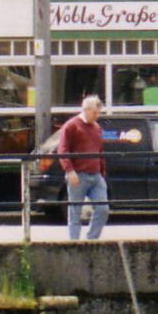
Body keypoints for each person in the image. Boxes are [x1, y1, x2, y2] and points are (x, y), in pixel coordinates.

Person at [57, 95, 109, 241]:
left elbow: (99, 151)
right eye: (94, 112)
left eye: (98, 112)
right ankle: (74, 242)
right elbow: (63, 150)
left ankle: (91, 239)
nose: (97, 116)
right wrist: (70, 170)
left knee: (103, 209)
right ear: (86, 110)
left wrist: (102, 171)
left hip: (95, 174)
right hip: (78, 174)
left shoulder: (97, 128)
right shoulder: (71, 126)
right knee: (75, 211)